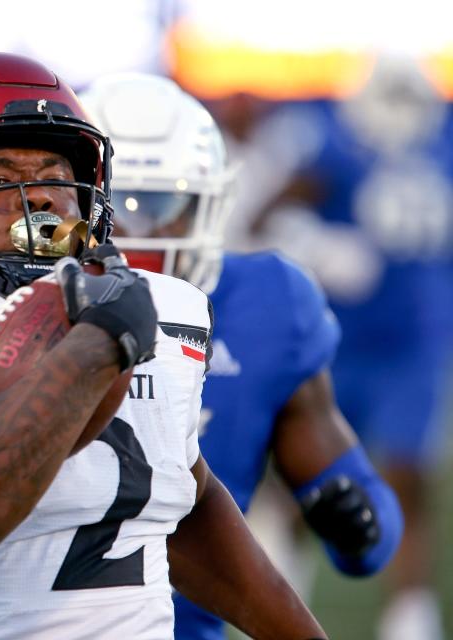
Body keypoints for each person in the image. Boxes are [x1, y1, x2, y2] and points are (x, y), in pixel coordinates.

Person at [0, 51, 326, 639]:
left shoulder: (165, 306)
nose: (40, 200)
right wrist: (95, 349)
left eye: (55, 177)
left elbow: (186, 498)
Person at [80, 72, 404, 639]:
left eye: (162, 208)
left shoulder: (266, 307)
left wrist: (358, 518)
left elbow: (360, 510)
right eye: (114, 210)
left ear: (212, 207)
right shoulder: (5, 304)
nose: (140, 237)